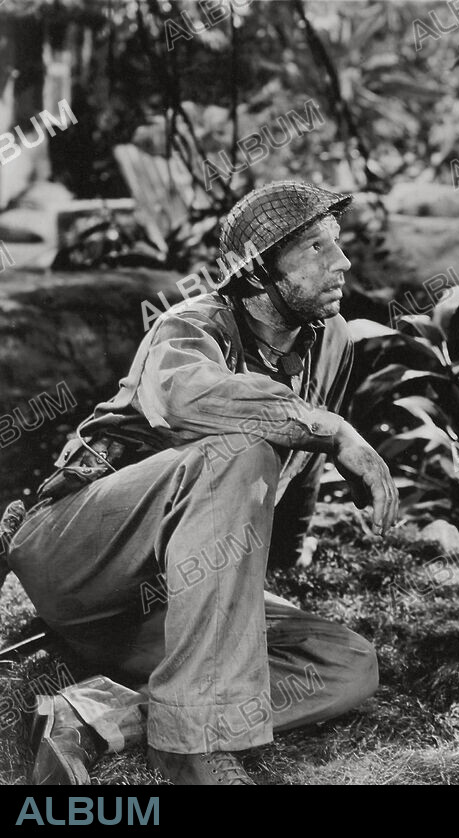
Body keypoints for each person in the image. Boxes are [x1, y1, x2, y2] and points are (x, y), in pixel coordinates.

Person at [6, 180, 399, 784]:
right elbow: (188, 398)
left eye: (336, 243)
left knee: (346, 664)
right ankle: (189, 749)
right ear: (260, 273)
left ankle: (97, 719)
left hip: (173, 594)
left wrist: (277, 562)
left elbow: (301, 469)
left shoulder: (331, 340)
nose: (341, 262)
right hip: (78, 558)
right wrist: (332, 428)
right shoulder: (190, 326)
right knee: (239, 451)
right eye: (315, 248)